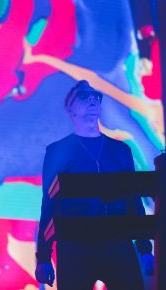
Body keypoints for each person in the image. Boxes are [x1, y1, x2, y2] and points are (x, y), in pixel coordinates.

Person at [35, 80, 154, 289]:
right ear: (70, 108)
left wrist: (144, 248)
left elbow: (133, 199)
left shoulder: (120, 150)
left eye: (96, 97)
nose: (92, 100)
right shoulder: (57, 151)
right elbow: (49, 205)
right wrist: (43, 257)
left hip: (118, 243)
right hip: (75, 247)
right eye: (83, 96)